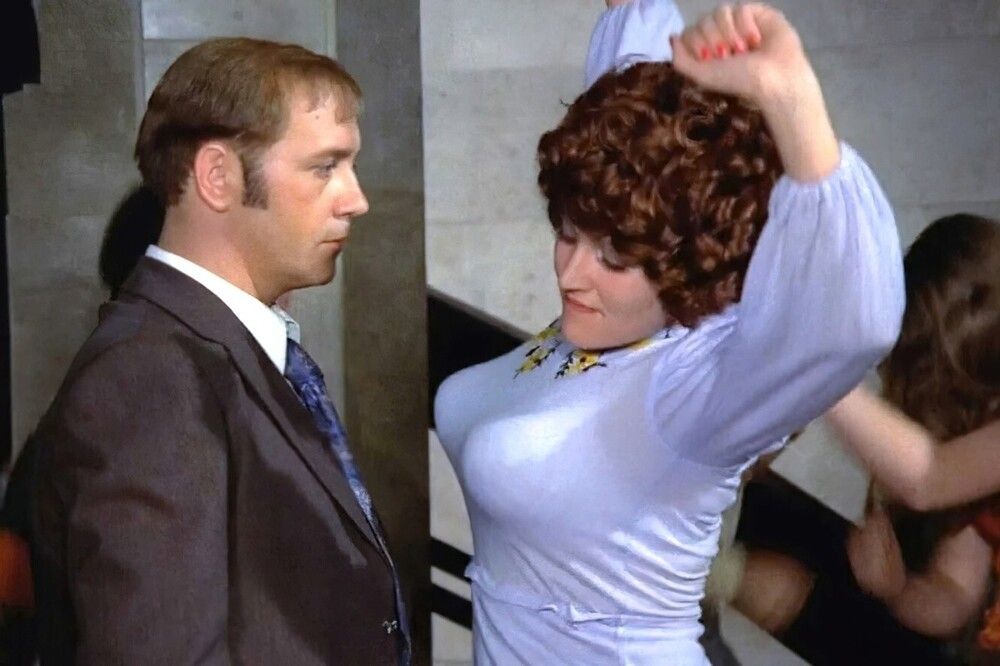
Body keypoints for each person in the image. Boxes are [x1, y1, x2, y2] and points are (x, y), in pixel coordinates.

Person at [433, 0, 904, 663]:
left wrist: (790, 94)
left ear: (690, 265)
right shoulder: (615, 313)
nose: (571, 272)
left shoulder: (696, 383)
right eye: (566, 232)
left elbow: (852, 321)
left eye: (614, 258)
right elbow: (642, 113)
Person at [31, 38, 410, 664]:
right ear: (217, 176)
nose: (356, 199)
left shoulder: (216, 346)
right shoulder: (149, 377)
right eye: (324, 167)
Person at [824, 213, 1000, 661]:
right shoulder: (972, 462)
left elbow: (926, 479)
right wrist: (899, 589)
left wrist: (816, 375)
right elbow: (955, 591)